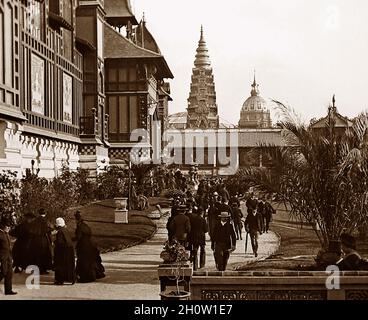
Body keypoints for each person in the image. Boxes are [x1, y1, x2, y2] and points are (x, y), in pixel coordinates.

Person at [74, 211, 105, 283]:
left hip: (83, 245)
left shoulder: (79, 227)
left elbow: (78, 237)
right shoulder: (86, 226)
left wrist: (71, 239)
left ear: (76, 219)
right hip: (90, 244)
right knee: (90, 261)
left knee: (83, 261)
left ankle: (85, 277)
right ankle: (92, 275)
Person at [28, 209, 53, 274]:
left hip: (36, 240)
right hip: (44, 239)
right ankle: (43, 269)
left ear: (38, 213)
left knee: (37, 254)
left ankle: (37, 269)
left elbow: (31, 231)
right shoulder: (46, 221)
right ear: (45, 213)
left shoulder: (35, 221)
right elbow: (50, 229)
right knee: (44, 254)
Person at [53, 218, 76, 285]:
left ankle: (60, 280)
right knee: (69, 264)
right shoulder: (66, 230)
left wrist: (54, 242)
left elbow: (60, 242)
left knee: (60, 265)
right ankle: (71, 278)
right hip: (69, 250)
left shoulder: (59, 232)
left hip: (62, 251)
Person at [0, 217, 16, 295]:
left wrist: (11, 258)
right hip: (2, 257)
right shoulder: (0, 234)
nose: (9, 228)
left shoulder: (6, 234)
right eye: (7, 226)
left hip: (8, 257)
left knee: (9, 273)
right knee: (3, 272)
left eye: (9, 226)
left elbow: (9, 247)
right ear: (2, 226)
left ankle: (8, 290)